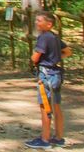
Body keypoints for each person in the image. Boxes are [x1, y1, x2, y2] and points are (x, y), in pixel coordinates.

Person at [26, 10, 70, 148]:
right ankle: (59, 137)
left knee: (45, 107)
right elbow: (68, 51)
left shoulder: (44, 37)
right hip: (56, 73)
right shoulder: (54, 37)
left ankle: (45, 139)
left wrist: (35, 61)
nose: (36, 23)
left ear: (49, 24)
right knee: (56, 106)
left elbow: (35, 57)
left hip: (46, 75)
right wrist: (55, 59)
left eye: (39, 21)